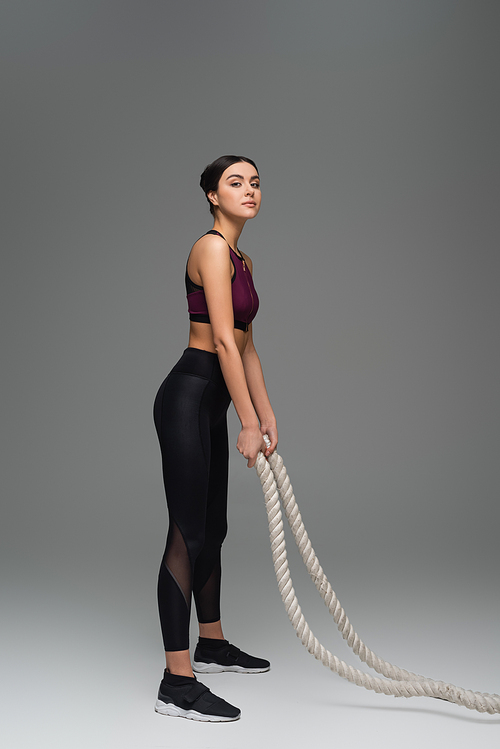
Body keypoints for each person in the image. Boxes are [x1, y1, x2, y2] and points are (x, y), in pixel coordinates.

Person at [153, 155, 278, 722]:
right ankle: (177, 683)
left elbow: (249, 346)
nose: (249, 190)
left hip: (215, 399)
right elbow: (224, 343)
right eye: (235, 183)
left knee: (216, 527)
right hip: (188, 393)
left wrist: (265, 413)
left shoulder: (241, 257)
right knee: (188, 533)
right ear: (211, 195)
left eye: (255, 182)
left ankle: (212, 642)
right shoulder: (208, 247)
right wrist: (246, 422)